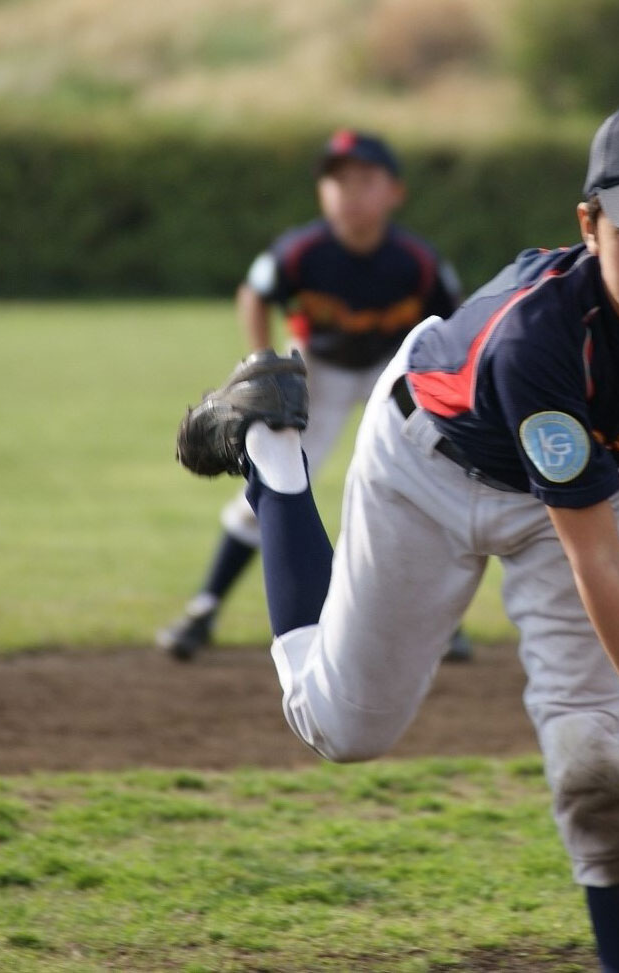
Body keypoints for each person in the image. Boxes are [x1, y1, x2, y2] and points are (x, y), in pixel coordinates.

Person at [175, 97, 619, 971]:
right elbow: (594, 556)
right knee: (343, 728)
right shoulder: (537, 340)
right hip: (429, 465)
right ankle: (274, 455)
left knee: (601, 766)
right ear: (588, 225)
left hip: (581, 479)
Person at [158, 128, 475, 663]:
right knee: (274, 476)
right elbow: (255, 293)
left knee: (426, 486)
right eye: (337, 181)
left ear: (395, 192)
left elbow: (457, 318)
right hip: (317, 370)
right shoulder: (303, 250)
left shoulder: (416, 260)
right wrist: (264, 364)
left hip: (391, 369)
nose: (348, 192)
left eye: (364, 180)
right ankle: (204, 607)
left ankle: (444, 622)